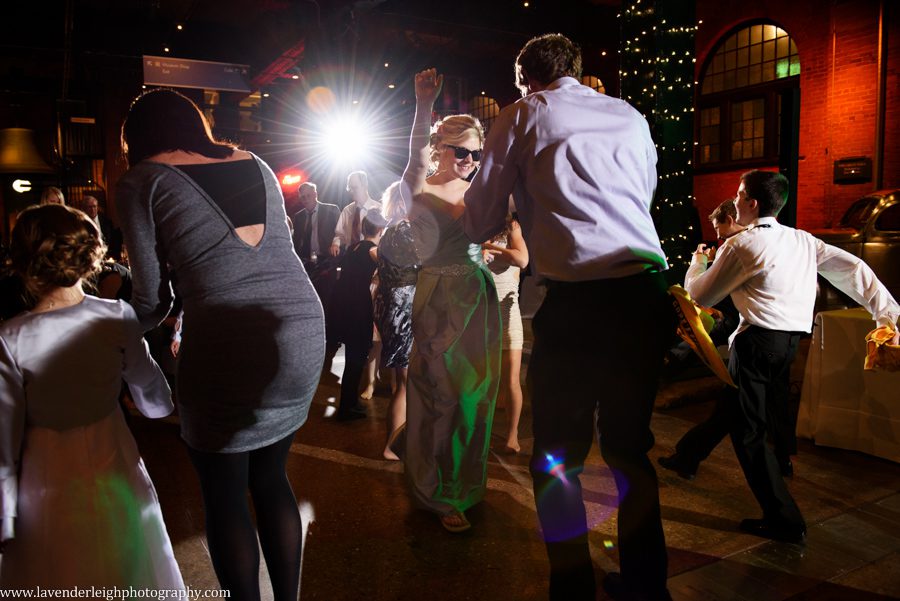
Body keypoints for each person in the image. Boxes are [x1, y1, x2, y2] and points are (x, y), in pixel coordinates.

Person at [463, 34, 674, 601]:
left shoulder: (524, 113)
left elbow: (481, 211)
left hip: (580, 301)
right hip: (645, 290)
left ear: (523, 76)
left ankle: (573, 589)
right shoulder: (629, 115)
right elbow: (642, 195)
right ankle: (648, 588)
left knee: (558, 456)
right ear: (577, 71)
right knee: (630, 449)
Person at [116, 88, 325, 601]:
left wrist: (104, 323)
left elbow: (151, 299)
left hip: (229, 336)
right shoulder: (255, 161)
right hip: (299, 328)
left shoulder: (141, 180)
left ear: (138, 138)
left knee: (225, 495)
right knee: (272, 478)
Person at [684, 169, 900, 545]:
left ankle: (785, 519)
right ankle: (686, 456)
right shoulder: (802, 240)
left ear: (751, 202)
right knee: (738, 409)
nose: (734, 201)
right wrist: (887, 314)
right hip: (788, 346)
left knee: (748, 433)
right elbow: (854, 270)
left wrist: (697, 265)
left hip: (755, 345)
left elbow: (700, 296)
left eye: (738, 194)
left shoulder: (741, 245)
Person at [0, 204, 183, 588]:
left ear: (24, 263)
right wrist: (157, 405)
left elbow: (4, 436)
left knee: (57, 563)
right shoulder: (115, 316)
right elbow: (150, 390)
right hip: (112, 450)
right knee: (127, 554)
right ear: (90, 258)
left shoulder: (10, 337)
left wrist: (6, 510)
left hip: (45, 467)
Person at [397, 68, 501, 533]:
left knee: (473, 398)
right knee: (442, 395)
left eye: (475, 153)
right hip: (438, 297)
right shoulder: (418, 186)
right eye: (460, 150)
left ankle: (462, 483)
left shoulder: (483, 187)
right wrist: (423, 106)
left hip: (477, 297)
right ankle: (435, 490)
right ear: (440, 146)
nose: (469, 159)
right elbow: (415, 159)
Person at [374, 181, 420, 460]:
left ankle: (396, 443)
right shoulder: (405, 231)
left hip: (391, 306)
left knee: (401, 381)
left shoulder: (387, 231)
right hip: (404, 309)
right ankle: (393, 445)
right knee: (406, 383)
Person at [327, 213, 384, 421]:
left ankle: (349, 402)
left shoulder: (355, 247)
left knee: (353, 355)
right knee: (356, 357)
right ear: (381, 230)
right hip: (358, 305)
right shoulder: (373, 251)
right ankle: (347, 407)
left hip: (343, 304)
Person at [483, 213, 529, 455]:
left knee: (511, 379)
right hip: (481, 313)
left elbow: (522, 260)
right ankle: (482, 432)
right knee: (483, 380)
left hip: (507, 312)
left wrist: (487, 247)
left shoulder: (511, 226)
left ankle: (512, 436)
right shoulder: (476, 224)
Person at [330, 171, 382, 256]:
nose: (351, 191)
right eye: (349, 188)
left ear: (365, 186)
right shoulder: (347, 210)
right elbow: (339, 234)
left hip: (372, 257)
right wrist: (335, 244)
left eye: (355, 188)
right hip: (350, 257)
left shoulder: (380, 209)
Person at [81, 194, 123, 260]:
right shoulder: (81, 223)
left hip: (107, 255)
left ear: (97, 207)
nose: (93, 209)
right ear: (84, 208)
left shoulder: (106, 221)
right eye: (89, 207)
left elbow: (112, 241)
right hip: (89, 256)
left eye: (94, 206)